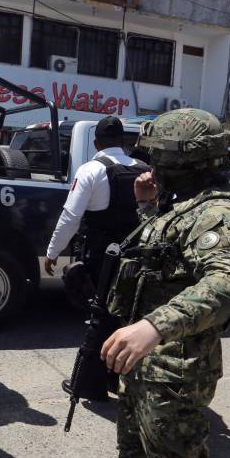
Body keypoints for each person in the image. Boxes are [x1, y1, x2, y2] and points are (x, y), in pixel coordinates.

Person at [88, 109, 230, 458]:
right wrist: (148, 207)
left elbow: (227, 284)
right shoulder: (185, 204)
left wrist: (153, 327)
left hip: (174, 369)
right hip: (145, 363)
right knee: (131, 451)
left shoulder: (218, 212)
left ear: (184, 163)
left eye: (156, 161)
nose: (149, 168)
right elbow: (166, 261)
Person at [45, 116, 148, 400]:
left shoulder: (92, 169)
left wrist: (53, 252)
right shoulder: (145, 170)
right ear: (123, 142)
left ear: (96, 143)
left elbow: (70, 216)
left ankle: (89, 385)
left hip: (102, 258)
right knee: (126, 317)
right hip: (136, 259)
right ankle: (117, 378)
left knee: (99, 318)